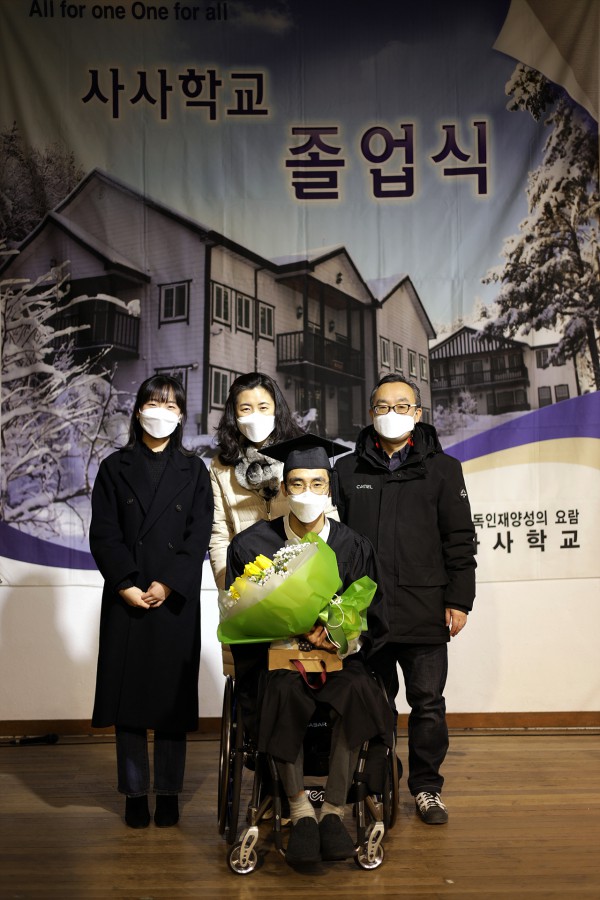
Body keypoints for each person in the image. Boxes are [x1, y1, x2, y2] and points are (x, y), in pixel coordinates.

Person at [225, 434, 394, 865]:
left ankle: (334, 811)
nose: (307, 493)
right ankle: (300, 810)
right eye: (297, 484)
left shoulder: (353, 546)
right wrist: (285, 630)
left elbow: (374, 615)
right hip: (279, 662)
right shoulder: (251, 546)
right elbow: (239, 620)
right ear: (283, 489)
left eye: (317, 484)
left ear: (329, 489)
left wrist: (339, 634)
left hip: (339, 661)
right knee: (280, 691)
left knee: (358, 690)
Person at [335, 374, 476, 826]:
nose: (391, 413)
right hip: (366, 613)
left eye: (402, 405)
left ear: (417, 413)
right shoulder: (347, 470)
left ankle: (427, 788)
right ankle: (377, 783)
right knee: (372, 704)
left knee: (428, 704)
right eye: (383, 406)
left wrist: (460, 600)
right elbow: (332, 544)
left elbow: (459, 540)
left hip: (425, 607)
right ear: (370, 412)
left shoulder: (443, 469)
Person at [90, 375, 213, 829]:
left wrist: (168, 584)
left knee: (170, 703)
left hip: (173, 599)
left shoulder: (194, 470)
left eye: (171, 405)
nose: (161, 411)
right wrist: (125, 582)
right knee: (129, 704)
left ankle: (169, 794)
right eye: (153, 402)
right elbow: (104, 533)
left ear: (181, 415)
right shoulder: (113, 467)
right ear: (139, 409)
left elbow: (197, 536)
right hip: (126, 597)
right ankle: (135, 794)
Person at [208, 372, 303, 593]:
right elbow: (220, 533)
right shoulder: (221, 465)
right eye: (246, 409)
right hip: (246, 583)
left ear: (276, 409)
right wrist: (228, 586)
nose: (255, 416)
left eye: (263, 407)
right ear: (234, 414)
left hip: (301, 577)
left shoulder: (301, 454)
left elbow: (326, 518)